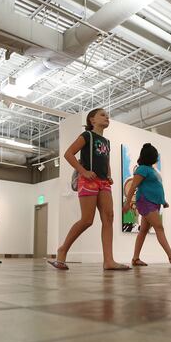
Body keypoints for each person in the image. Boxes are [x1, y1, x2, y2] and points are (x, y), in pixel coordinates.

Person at [48, 108, 129, 271]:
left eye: (108, 116)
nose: (107, 117)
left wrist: (109, 175)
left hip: (103, 182)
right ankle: (62, 250)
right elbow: (68, 154)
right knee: (87, 220)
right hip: (88, 180)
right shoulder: (87, 136)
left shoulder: (107, 142)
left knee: (109, 217)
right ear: (92, 120)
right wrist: (83, 171)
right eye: (102, 115)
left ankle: (109, 260)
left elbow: (105, 161)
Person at [121, 143, 171, 267]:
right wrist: (127, 203)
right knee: (159, 227)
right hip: (145, 202)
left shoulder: (151, 170)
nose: (156, 157)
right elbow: (133, 187)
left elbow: (155, 187)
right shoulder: (141, 169)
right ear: (150, 156)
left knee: (143, 231)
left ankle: (135, 259)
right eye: (155, 155)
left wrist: (163, 201)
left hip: (153, 203)